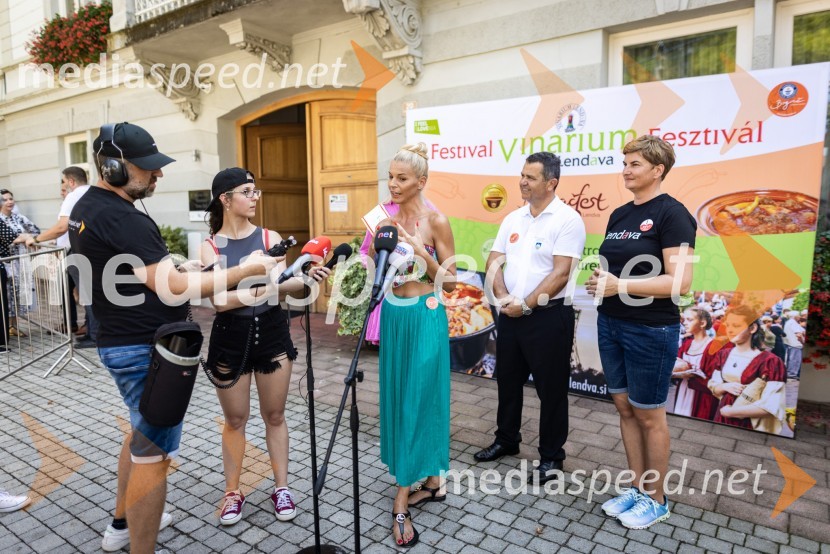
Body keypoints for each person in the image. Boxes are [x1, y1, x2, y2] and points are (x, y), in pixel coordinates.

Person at [69, 123, 277, 554]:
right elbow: (172, 288)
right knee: (153, 455)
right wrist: (246, 270)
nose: (158, 174)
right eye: (147, 167)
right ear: (112, 168)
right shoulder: (123, 216)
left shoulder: (88, 205)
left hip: (120, 341)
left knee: (139, 434)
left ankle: (121, 523)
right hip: (145, 348)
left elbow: (146, 274)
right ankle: (139, 544)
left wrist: (184, 269)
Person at [201, 168, 331, 526]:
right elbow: (220, 302)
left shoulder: (270, 237)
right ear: (225, 199)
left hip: (272, 334)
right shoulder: (210, 245)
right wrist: (272, 288)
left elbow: (289, 288)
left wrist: (305, 278)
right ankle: (232, 492)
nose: (255, 197)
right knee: (235, 420)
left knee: (275, 416)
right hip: (230, 340)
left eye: (255, 191)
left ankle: (282, 488)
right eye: (247, 191)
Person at [586, 135, 696, 529]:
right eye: (625, 163)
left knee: (650, 415)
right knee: (624, 408)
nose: (626, 170)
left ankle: (657, 498)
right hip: (611, 322)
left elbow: (680, 281)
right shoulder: (620, 214)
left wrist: (620, 285)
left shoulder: (673, 214)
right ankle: (636, 489)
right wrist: (603, 283)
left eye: (635, 164)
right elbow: (615, 270)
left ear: (657, 170)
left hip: (650, 328)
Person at [474, 151, 585, 487]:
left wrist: (525, 305)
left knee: (551, 390)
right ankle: (507, 439)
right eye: (522, 175)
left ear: (551, 183)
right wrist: (505, 298)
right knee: (507, 382)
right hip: (510, 314)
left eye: (530, 177)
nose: (522, 182)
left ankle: (551, 456)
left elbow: (561, 273)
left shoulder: (568, 220)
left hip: (549, 317)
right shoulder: (513, 218)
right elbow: (494, 261)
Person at [374, 143, 455, 548]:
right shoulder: (383, 220)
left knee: (419, 399)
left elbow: (451, 282)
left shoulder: (436, 220)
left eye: (401, 178)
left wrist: (422, 252)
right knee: (398, 397)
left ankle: (402, 497)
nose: (393, 184)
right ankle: (434, 482)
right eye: (391, 176)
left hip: (425, 316)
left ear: (421, 181)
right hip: (394, 315)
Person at [33, 167, 95, 345]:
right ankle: (82, 327)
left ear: (71, 181)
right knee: (77, 291)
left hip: (77, 252)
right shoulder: (94, 193)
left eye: (65, 181)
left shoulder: (73, 196)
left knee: (87, 294)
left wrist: (36, 239)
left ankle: (94, 335)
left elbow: (62, 226)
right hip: (86, 250)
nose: (64, 185)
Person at [708, 306, 787, 433]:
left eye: (736, 325)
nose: (730, 330)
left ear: (753, 328)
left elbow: (773, 405)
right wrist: (724, 387)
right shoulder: (723, 354)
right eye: (728, 325)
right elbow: (714, 386)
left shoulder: (771, 361)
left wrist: (731, 412)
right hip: (722, 414)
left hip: (748, 423)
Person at [0, 189, 40, 336]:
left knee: (17, 294)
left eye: (11, 198)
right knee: (7, 294)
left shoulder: (19, 218)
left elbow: (36, 231)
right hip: (6, 262)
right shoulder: (0, 220)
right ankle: (6, 327)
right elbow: (11, 238)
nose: (9, 202)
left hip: (21, 261)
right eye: (5, 199)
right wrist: (23, 238)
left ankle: (13, 326)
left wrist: (28, 237)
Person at [671, 307, 713, 417]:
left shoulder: (712, 346)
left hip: (700, 395)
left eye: (689, 320)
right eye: (684, 320)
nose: (684, 323)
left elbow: (713, 378)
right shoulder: (687, 344)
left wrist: (692, 372)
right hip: (683, 390)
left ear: (702, 323)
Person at [783, 309, 804, 380]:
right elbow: (798, 334)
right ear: (795, 316)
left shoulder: (789, 322)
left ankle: (791, 373)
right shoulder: (793, 323)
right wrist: (802, 341)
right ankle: (792, 373)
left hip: (791, 343)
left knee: (792, 359)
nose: (799, 317)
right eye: (798, 315)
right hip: (795, 344)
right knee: (795, 359)